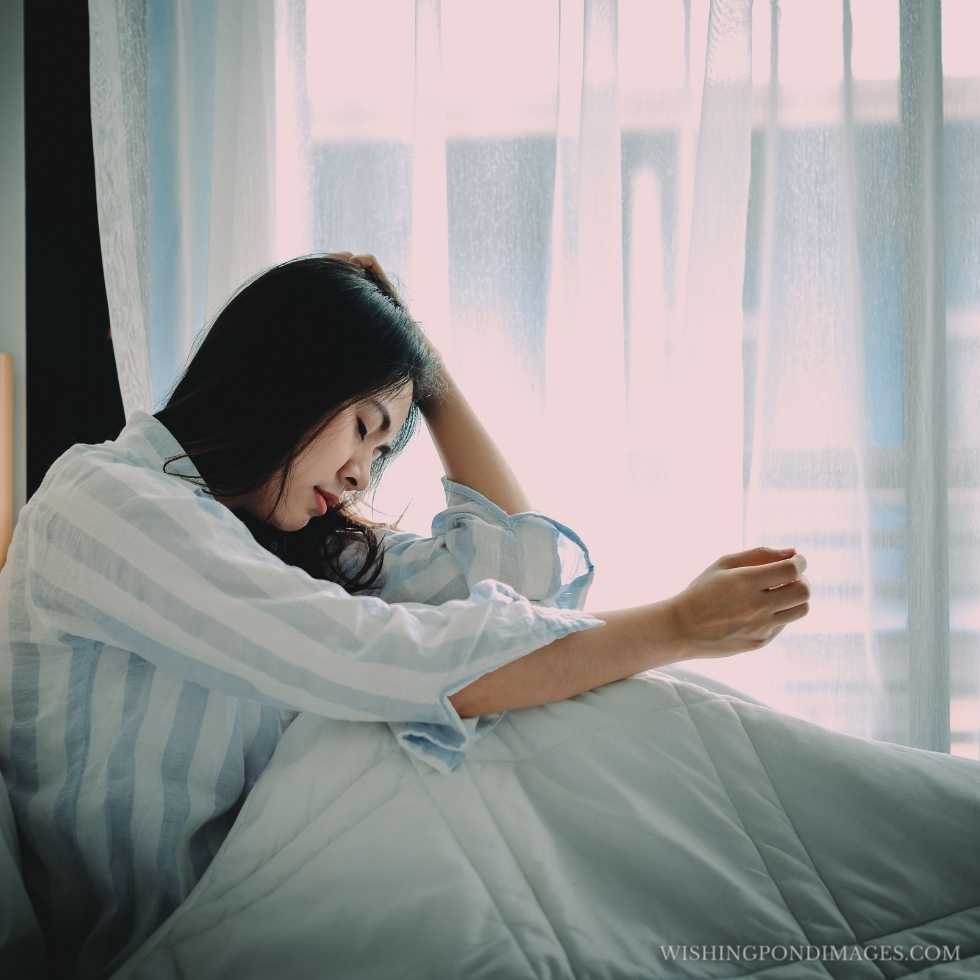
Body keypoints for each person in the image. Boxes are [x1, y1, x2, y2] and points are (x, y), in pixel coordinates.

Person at [0, 252, 809, 980]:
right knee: (524, 702)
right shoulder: (103, 502)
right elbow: (373, 660)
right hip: (150, 947)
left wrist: (431, 376)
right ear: (291, 372)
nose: (361, 475)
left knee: (603, 710)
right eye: (363, 429)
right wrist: (674, 629)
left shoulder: (283, 542)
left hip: (271, 909)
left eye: (384, 453)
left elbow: (517, 581)